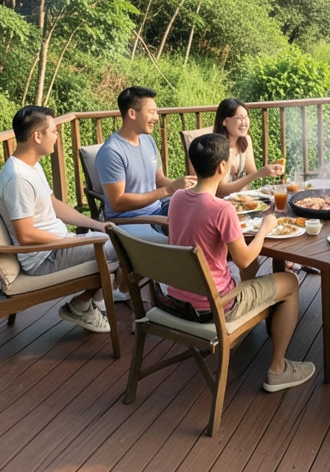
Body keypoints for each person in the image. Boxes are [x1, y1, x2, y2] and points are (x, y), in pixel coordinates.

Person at [165, 132, 317, 392]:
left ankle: (254, 324)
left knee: (254, 272)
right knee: (290, 282)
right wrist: (265, 228)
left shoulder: (177, 197)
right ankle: (278, 369)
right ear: (223, 167)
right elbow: (245, 260)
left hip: (178, 300)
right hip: (214, 305)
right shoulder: (222, 209)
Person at [0, 105, 116, 335]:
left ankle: (91, 300)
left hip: (57, 246)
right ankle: (82, 305)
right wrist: (72, 242)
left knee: (110, 238)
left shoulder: (30, 166)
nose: (57, 137)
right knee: (119, 248)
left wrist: (97, 225)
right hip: (44, 258)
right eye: (54, 131)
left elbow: (54, 205)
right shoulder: (18, 179)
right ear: (36, 136)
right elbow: (26, 235)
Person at [98, 86, 196, 227]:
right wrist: (168, 190)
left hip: (158, 210)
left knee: (203, 210)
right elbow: (117, 203)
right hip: (131, 220)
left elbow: (159, 180)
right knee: (192, 225)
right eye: (151, 112)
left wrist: (187, 186)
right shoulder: (112, 152)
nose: (156, 118)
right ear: (132, 113)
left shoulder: (147, 140)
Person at [207, 98, 285, 196]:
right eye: (240, 118)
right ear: (224, 121)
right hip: (221, 204)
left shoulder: (245, 140)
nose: (244, 122)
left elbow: (252, 172)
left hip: (241, 201)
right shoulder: (218, 148)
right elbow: (220, 190)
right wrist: (258, 174)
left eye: (246, 117)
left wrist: (270, 168)